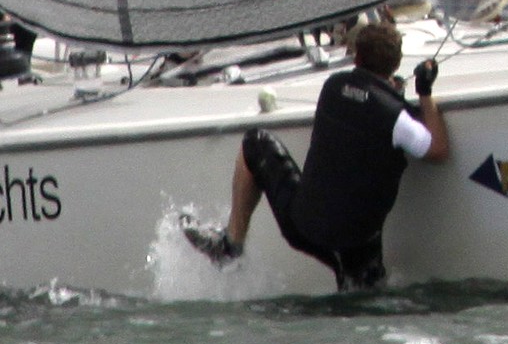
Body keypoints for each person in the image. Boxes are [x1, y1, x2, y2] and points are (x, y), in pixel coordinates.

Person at [182, 21, 449, 290]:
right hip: (355, 247)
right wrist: (424, 92)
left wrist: (388, 91)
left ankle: (231, 244)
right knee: (362, 291)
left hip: (304, 228)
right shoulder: (396, 117)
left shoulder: (332, 87)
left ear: (356, 56)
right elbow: (437, 150)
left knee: (256, 141)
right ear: (396, 63)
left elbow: (361, 100)